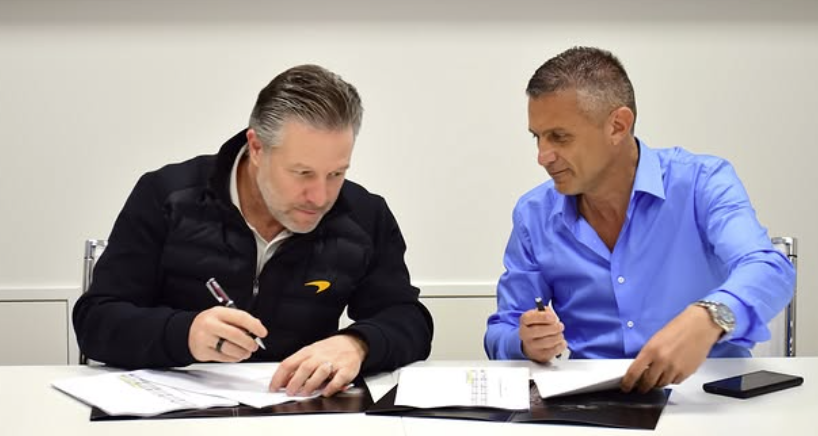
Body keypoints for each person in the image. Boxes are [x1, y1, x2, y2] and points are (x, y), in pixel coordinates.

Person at [73, 64, 433, 397]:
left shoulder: (364, 216)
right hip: (174, 411)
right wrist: (185, 334)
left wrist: (358, 344)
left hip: (298, 411)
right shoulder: (168, 195)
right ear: (257, 147)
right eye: (302, 173)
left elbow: (409, 320)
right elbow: (95, 321)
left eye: (336, 173)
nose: (321, 197)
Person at [484, 46, 795, 393]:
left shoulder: (702, 183)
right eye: (537, 137)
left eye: (559, 137)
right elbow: (502, 330)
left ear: (618, 126)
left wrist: (709, 317)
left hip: (706, 397)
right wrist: (524, 342)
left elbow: (769, 269)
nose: (543, 156)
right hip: (592, 403)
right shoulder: (534, 214)